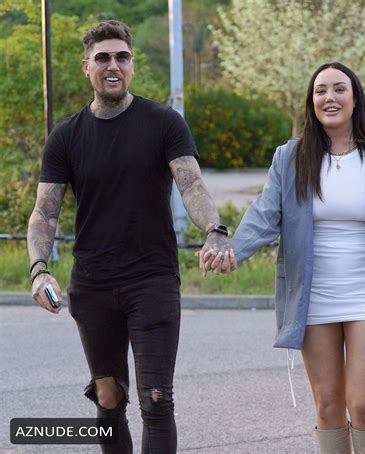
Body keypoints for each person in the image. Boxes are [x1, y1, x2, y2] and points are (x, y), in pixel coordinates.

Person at [27, 20, 231, 454]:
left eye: (122, 57)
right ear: (87, 67)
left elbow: (192, 185)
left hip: (152, 279)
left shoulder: (164, 122)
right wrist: (38, 269)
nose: (113, 65)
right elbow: (45, 212)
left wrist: (214, 231)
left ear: (132, 65)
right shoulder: (66, 136)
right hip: (93, 284)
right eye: (102, 58)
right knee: (108, 396)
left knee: (156, 400)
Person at [201, 62, 365, 453]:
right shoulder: (291, 157)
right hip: (312, 297)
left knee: (363, 404)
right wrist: (230, 249)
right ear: (311, 101)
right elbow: (265, 214)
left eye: (339, 89)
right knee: (328, 404)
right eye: (321, 91)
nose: (329, 97)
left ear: (355, 99)